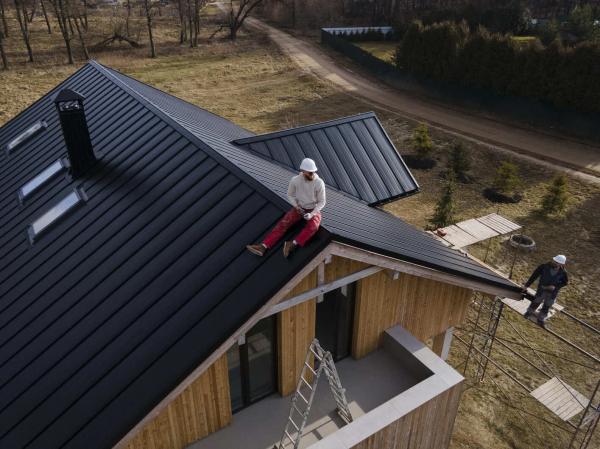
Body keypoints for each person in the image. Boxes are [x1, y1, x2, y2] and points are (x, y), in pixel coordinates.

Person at [246, 158, 326, 258]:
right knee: (283, 224)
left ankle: (292, 244)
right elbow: (290, 195)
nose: (310, 174)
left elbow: (322, 202)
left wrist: (312, 214)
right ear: (302, 171)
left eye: (312, 172)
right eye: (308, 172)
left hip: (313, 209)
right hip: (299, 207)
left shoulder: (319, 183)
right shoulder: (295, 180)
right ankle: (263, 246)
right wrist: (296, 206)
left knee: (313, 227)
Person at [522, 255, 569, 327]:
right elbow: (534, 275)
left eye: (557, 262)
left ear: (561, 264)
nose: (554, 262)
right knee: (536, 301)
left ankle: (541, 319)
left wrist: (555, 287)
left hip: (552, 293)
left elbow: (565, 282)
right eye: (554, 261)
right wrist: (526, 285)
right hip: (542, 289)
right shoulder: (544, 267)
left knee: (547, 305)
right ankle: (529, 312)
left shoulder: (563, 273)